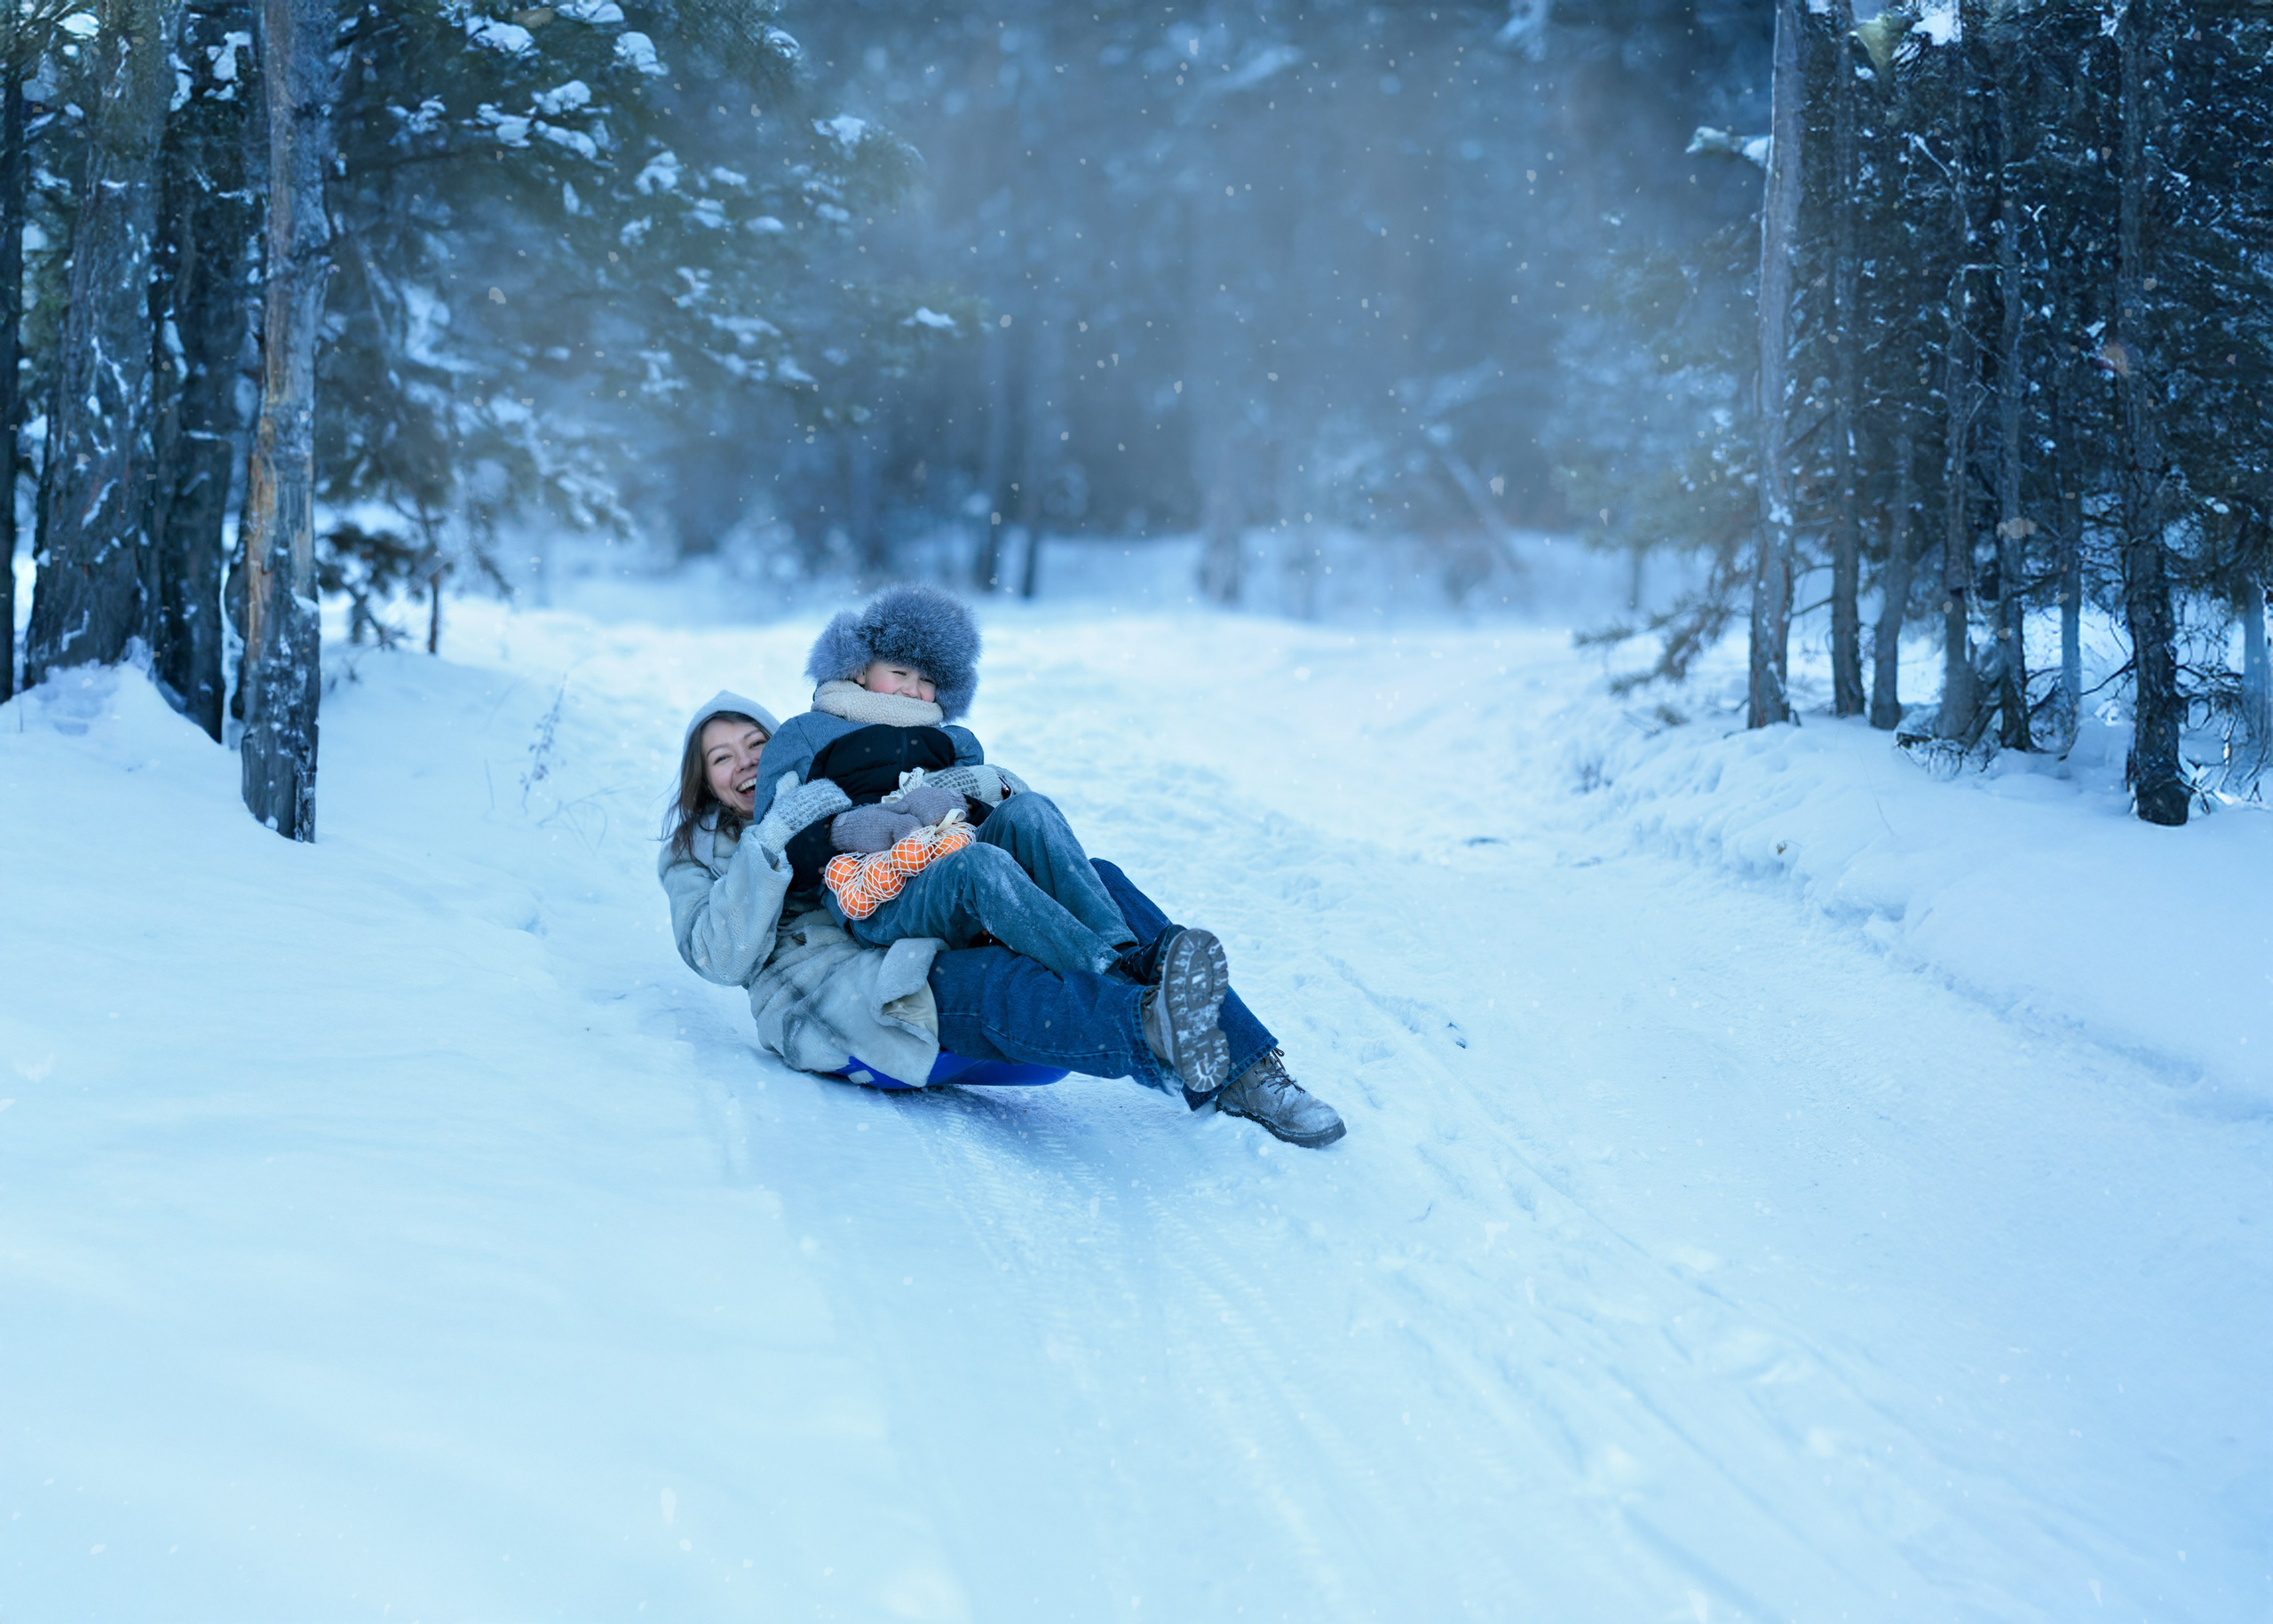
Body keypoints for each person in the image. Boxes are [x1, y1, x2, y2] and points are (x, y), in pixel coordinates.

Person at [659, 690, 1347, 1147]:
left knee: (1094, 880)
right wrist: (769, 842)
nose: (744, 763)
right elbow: (719, 957)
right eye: (723, 757)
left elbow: (915, 830)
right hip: (852, 1001)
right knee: (993, 977)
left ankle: (1248, 1068)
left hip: (915, 920)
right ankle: (1155, 1028)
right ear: (703, 780)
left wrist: (972, 793)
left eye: (756, 745)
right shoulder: (699, 854)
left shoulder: (826, 799)